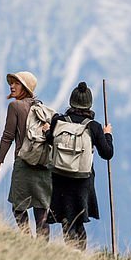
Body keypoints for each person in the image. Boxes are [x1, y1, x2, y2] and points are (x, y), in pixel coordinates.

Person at [44, 81, 113, 250]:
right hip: (82, 180)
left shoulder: (59, 121)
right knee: (78, 219)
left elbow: (50, 140)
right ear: (89, 104)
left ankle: (71, 252)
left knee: (66, 218)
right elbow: (107, 153)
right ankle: (79, 253)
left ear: (71, 101)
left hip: (60, 176)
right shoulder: (94, 127)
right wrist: (107, 135)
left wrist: (47, 130)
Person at [0, 71, 51, 240]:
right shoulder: (40, 107)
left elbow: (8, 136)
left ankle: (26, 240)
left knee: (18, 206)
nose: (12, 86)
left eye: (17, 83)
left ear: (25, 88)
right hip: (44, 166)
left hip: (24, 163)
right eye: (12, 83)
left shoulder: (15, 107)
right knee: (41, 208)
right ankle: (43, 249)